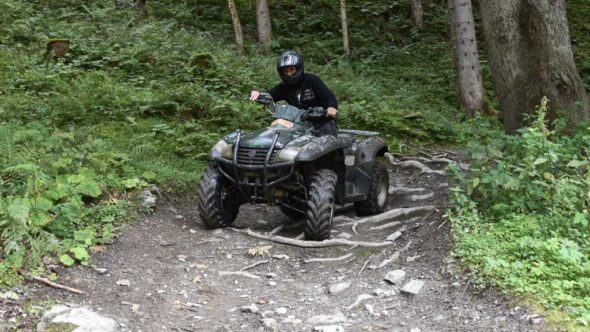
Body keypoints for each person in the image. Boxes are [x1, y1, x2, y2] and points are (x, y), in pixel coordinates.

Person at [250, 50, 339, 137]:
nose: (289, 74)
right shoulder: (284, 87)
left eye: (292, 70)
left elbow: (329, 97)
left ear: (299, 68)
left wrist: (331, 107)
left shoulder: (312, 80)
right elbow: (270, 95)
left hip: (321, 122)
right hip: (298, 123)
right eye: (286, 71)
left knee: (327, 142)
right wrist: (258, 94)